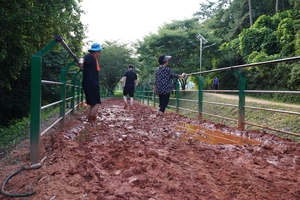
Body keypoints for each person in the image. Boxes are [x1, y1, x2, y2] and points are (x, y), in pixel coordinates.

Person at [78, 43, 103, 122]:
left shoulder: (93, 59)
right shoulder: (90, 57)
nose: (100, 53)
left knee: (93, 102)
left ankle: (93, 118)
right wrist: (81, 62)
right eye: (99, 51)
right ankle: (90, 120)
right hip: (91, 83)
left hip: (91, 83)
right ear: (95, 52)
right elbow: (83, 58)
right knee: (96, 102)